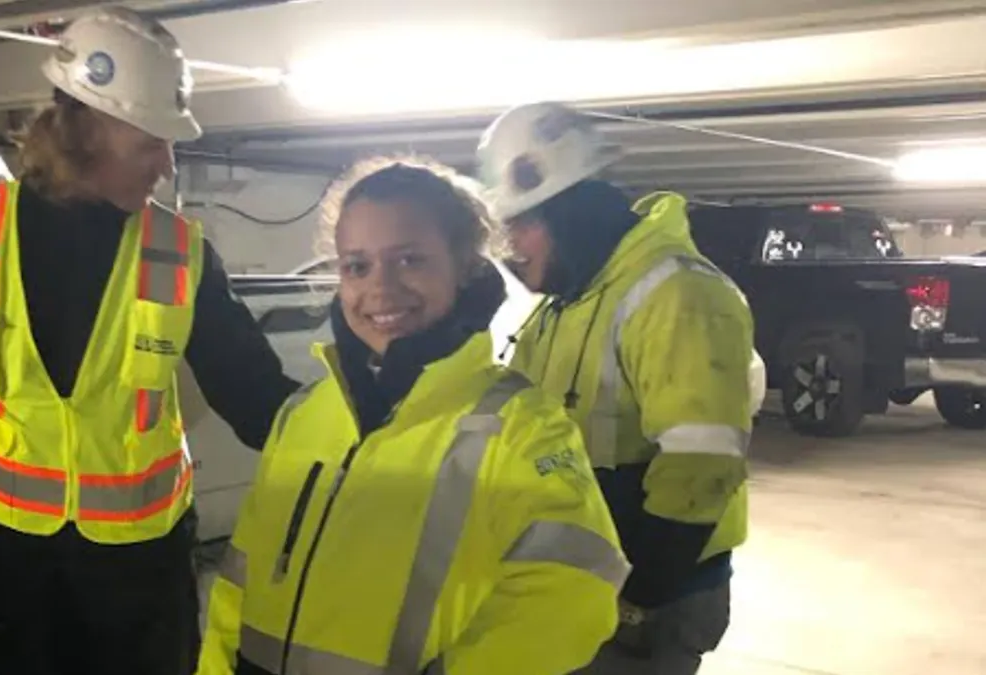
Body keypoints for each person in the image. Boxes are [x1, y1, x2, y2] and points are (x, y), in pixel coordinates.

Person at [0, 8, 298, 675]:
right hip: (14, 568)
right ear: (85, 129)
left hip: (143, 575)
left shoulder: (179, 251)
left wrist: (368, 441)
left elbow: (255, 395)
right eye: (152, 141)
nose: (166, 163)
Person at [196, 158, 631, 675]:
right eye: (357, 266)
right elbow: (238, 583)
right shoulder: (303, 415)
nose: (380, 288)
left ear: (466, 267)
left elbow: (574, 592)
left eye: (409, 260)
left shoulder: (519, 428)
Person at [477, 101, 757, 674]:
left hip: (654, 593)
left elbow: (699, 470)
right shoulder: (566, 301)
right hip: (580, 577)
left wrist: (640, 600)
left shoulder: (676, 293)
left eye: (520, 224)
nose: (510, 247)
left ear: (573, 210)